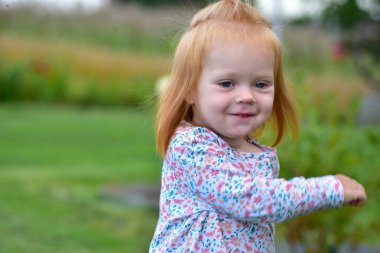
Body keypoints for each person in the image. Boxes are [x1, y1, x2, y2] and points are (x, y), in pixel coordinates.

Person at [149, 0, 367, 252]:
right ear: (189, 90)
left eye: (261, 84)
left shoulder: (258, 154)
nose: (247, 96)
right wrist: (329, 189)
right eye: (227, 83)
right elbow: (249, 199)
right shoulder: (192, 146)